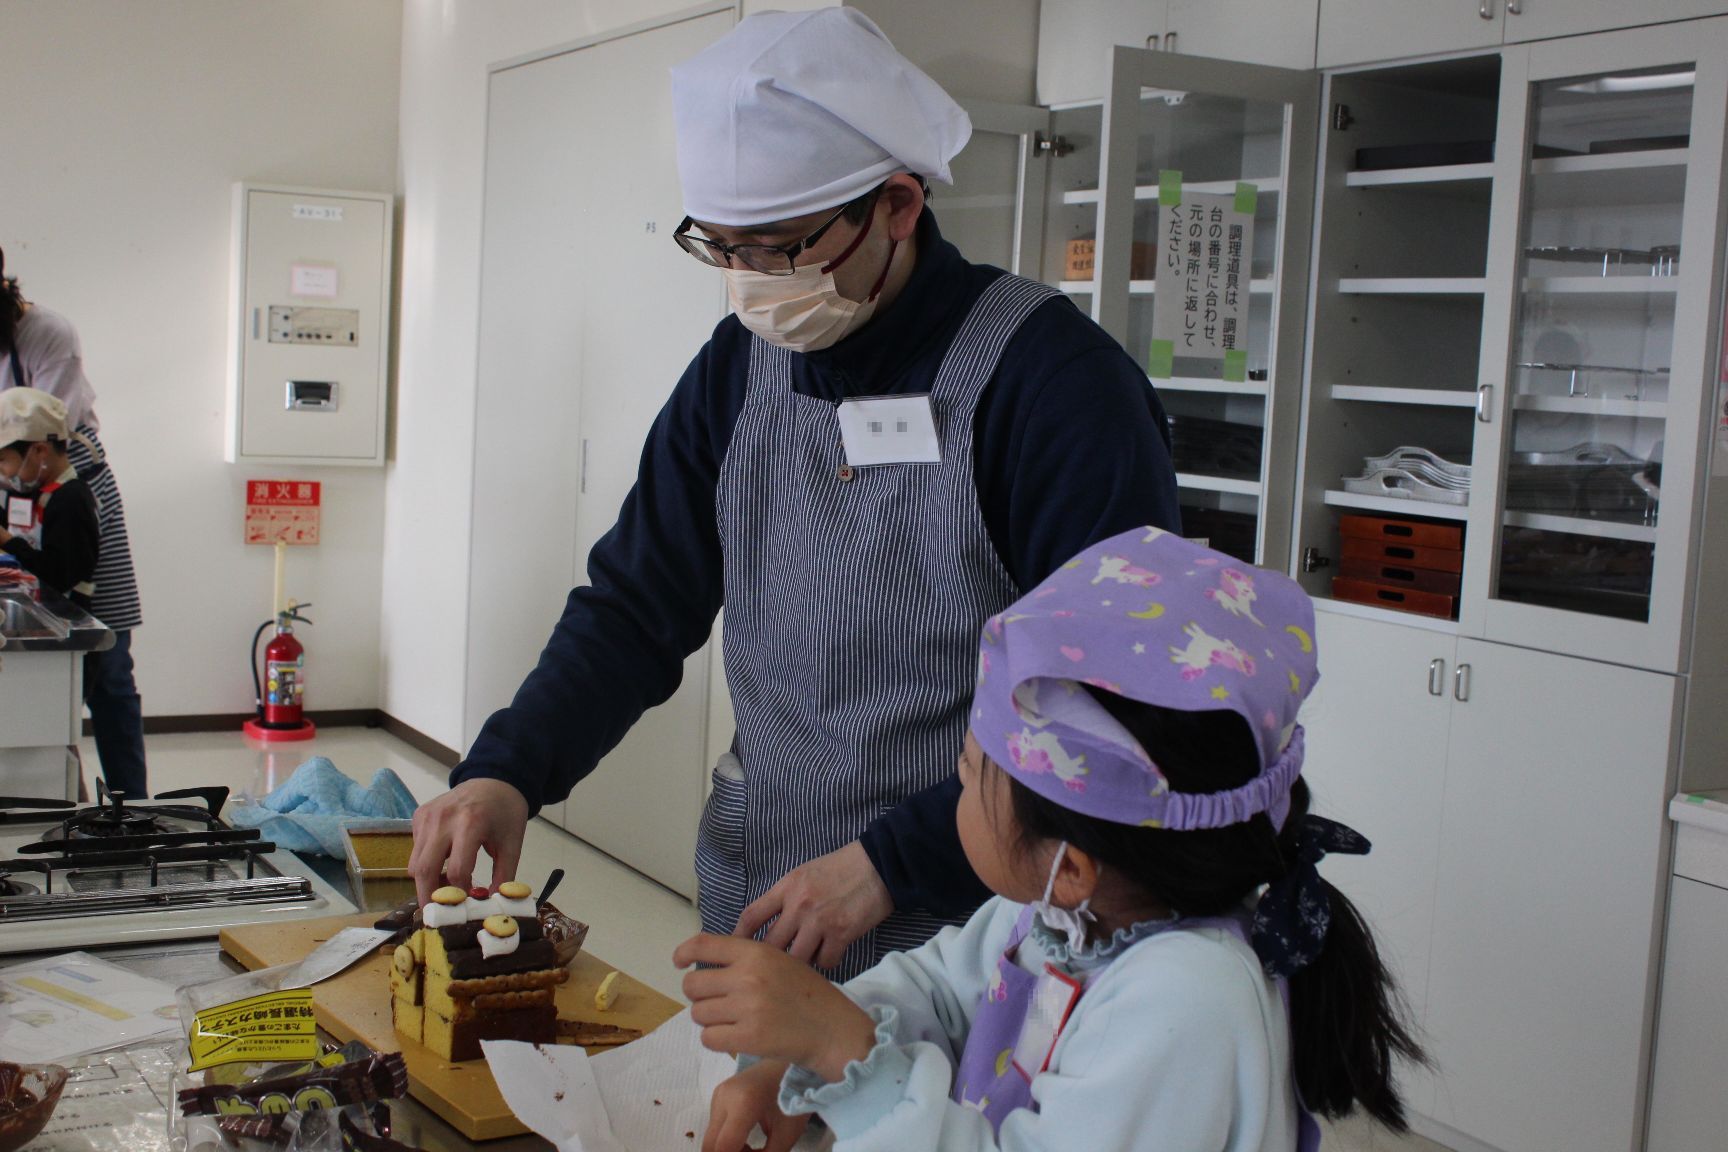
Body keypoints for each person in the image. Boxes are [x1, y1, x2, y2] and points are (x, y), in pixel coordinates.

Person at [409, 8, 1181, 980]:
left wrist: (896, 864)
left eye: (779, 249)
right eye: (720, 249)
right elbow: (636, 606)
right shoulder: (740, 369)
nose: (749, 284)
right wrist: (509, 769)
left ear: (898, 205)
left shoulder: (1055, 387)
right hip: (767, 908)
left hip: (976, 938)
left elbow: (1106, 702)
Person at [676, 527, 1426, 1152]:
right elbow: (938, 990)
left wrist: (849, 1053)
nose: (956, 788)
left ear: (1071, 866)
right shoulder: (1058, 914)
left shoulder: (1187, 1001)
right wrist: (801, 1063)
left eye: (970, 776)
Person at [0, 248, 148, 799]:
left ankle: (130, 806)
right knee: (46, 689)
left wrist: (16, 518)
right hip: (20, 491)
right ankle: (65, 800)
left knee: (106, 671)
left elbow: (43, 438)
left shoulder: (45, 333)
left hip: (75, 491)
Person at [0, 389, 100, 607]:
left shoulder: (71, 499)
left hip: (65, 626)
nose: (3, 473)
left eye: (3, 461)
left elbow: (59, 574)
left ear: (39, 451)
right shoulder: (29, 490)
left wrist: (7, 541)